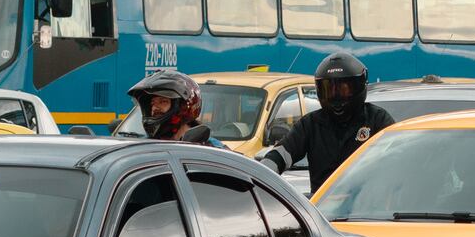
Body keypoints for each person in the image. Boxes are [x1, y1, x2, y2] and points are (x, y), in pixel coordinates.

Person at [259, 52, 395, 192]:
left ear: (359, 86)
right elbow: (282, 153)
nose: (336, 96)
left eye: (343, 90)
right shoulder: (310, 124)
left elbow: (398, 158)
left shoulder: (377, 120)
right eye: (328, 90)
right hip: (321, 209)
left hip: (366, 207)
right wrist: (260, 175)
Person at [126, 70, 226, 147]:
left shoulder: (210, 148)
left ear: (183, 107)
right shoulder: (145, 146)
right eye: (152, 103)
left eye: (163, 101)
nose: (155, 108)